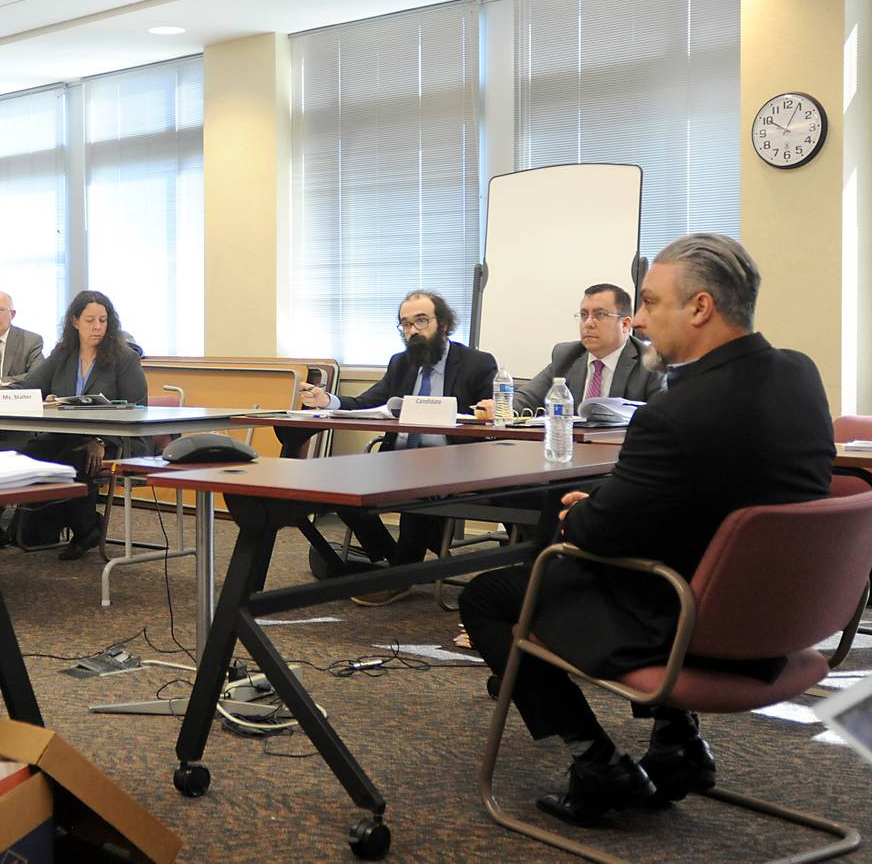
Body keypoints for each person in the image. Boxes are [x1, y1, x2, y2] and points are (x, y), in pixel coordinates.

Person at [460, 233, 833, 827]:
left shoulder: (676, 412)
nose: (638, 317)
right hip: (781, 619)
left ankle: (596, 762)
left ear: (701, 307)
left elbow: (598, 534)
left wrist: (582, 510)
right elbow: (709, 488)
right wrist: (616, 499)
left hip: (687, 624)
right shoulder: (799, 374)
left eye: (653, 303)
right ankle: (677, 742)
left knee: (491, 594)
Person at [294, 290, 497, 602]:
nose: (412, 331)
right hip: (396, 460)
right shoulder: (401, 363)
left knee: (420, 480)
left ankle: (399, 576)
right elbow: (367, 402)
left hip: (453, 463)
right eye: (405, 324)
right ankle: (392, 559)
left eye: (421, 321)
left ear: (443, 324)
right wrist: (327, 400)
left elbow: (488, 417)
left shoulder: (476, 363)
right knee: (336, 481)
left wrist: (485, 411)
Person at [0, 290, 148, 561]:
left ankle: (85, 528)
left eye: (103, 320)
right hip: (68, 437)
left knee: (75, 456)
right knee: (29, 453)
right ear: (75, 321)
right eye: (90, 320)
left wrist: (100, 441)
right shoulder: (63, 354)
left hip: (119, 441)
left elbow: (137, 410)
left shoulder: (125, 358)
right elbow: (29, 385)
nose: (97, 327)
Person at [475, 283, 665, 417]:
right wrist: (501, 407)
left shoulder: (650, 363)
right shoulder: (567, 355)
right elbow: (528, 396)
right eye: (584, 315)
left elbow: (659, 422)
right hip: (567, 452)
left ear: (625, 324)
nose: (588, 323)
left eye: (600, 315)